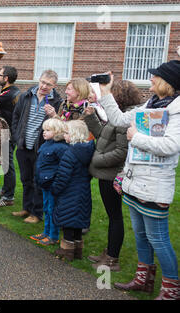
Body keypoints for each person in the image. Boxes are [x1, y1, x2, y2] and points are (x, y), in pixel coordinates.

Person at [98, 61, 180, 300]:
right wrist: (105, 91)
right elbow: (119, 119)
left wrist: (136, 138)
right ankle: (143, 279)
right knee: (140, 235)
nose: (151, 80)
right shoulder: (150, 104)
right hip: (135, 182)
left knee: (158, 239)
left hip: (154, 185)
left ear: (167, 82)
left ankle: (171, 289)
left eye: (155, 77)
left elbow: (171, 146)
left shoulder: (176, 111)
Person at [84, 80, 142, 272]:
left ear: (120, 97)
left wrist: (96, 160)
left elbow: (120, 152)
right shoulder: (119, 115)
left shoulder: (127, 119)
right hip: (105, 172)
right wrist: (91, 119)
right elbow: (103, 135)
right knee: (112, 215)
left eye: (112, 93)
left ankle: (112, 259)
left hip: (111, 174)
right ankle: (109, 251)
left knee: (115, 216)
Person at [11, 69, 63, 223]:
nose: (44, 86)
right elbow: (16, 116)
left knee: (38, 181)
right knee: (26, 179)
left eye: (48, 84)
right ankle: (26, 208)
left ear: (54, 86)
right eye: (42, 82)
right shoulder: (27, 96)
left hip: (40, 147)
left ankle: (36, 213)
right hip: (22, 145)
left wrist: (54, 114)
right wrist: (16, 135)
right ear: (39, 80)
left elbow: (59, 126)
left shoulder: (56, 102)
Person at [51, 120, 95, 261]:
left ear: (74, 135)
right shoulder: (88, 151)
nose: (64, 135)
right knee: (78, 222)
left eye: (67, 133)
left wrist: (55, 189)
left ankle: (67, 251)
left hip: (69, 193)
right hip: (83, 191)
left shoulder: (70, 153)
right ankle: (78, 251)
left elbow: (63, 175)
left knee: (68, 221)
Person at [30, 118, 68, 245]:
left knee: (52, 209)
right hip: (44, 183)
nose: (44, 132)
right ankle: (46, 232)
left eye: (48, 130)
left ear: (57, 131)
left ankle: (54, 235)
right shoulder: (45, 144)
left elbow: (64, 167)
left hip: (53, 184)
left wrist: (56, 182)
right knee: (46, 207)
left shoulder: (61, 147)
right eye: (44, 130)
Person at [0, 66, 20, 207]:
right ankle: (5, 189)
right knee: (5, 162)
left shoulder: (9, 93)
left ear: (6, 78)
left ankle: (9, 197)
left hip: (8, 133)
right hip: (8, 132)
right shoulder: (10, 92)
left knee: (7, 164)